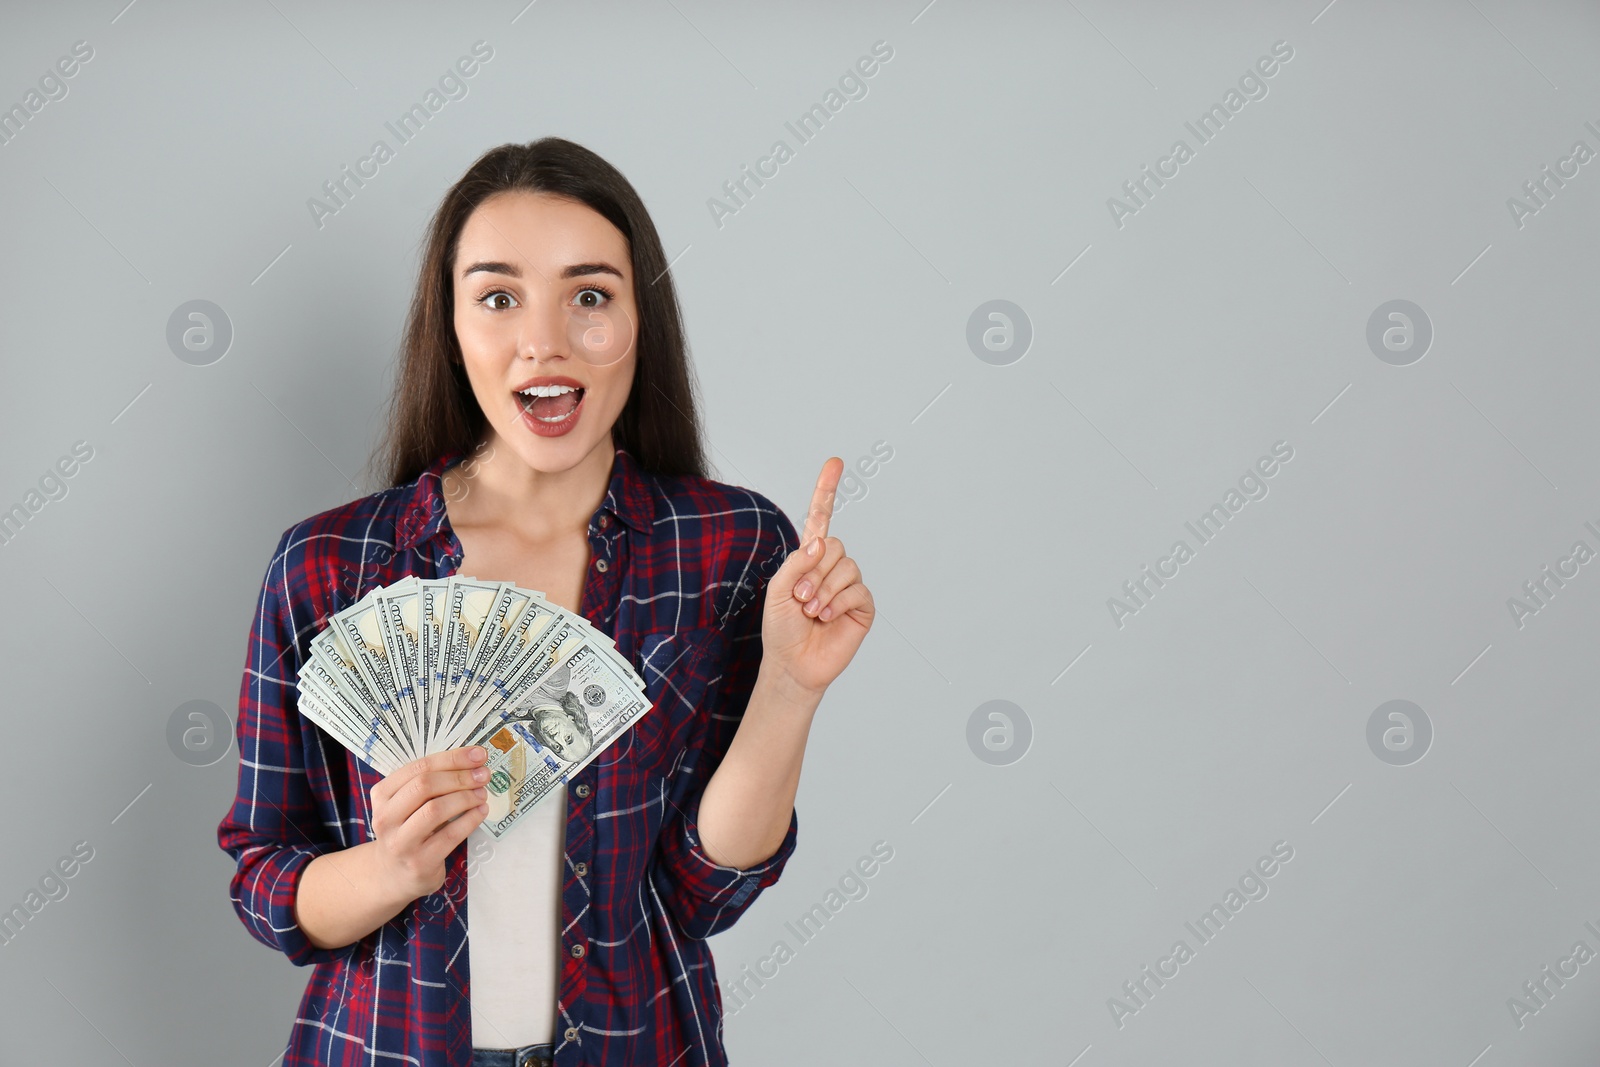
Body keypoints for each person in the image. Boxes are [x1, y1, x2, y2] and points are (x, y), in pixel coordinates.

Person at [216, 137, 874, 1067]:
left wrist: (790, 691)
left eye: (590, 296)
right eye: (498, 296)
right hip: (385, 1046)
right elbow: (265, 879)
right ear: (450, 327)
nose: (545, 340)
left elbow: (702, 893)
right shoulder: (327, 565)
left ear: (641, 321)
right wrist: (391, 865)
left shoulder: (730, 549)